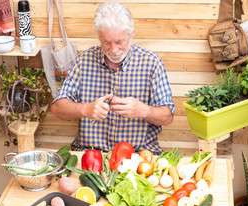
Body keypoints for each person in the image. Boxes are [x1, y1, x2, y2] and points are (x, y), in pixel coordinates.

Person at [50, 1, 175, 154]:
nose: (114, 50)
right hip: (91, 153)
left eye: (119, 42)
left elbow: (168, 117)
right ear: (99, 37)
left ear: (132, 34)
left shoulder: (152, 63)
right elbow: (57, 109)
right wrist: (85, 109)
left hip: (139, 154)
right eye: (106, 42)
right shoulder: (83, 61)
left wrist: (143, 110)